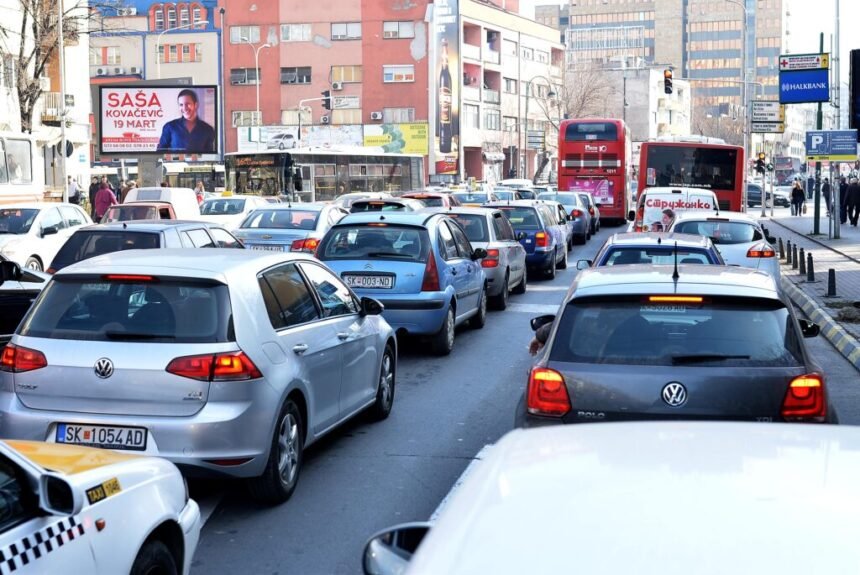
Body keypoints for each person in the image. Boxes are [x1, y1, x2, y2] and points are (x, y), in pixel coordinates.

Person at [157, 89, 216, 154]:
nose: (184, 108)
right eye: (181, 105)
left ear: (196, 105)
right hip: (175, 161)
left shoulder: (208, 129)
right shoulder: (169, 127)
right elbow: (160, 153)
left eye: (187, 104)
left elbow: (209, 156)